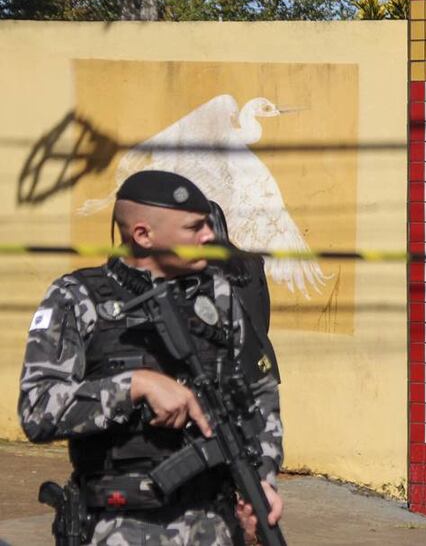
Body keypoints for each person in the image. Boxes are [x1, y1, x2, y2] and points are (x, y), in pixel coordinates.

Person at [19, 170, 284, 545]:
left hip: (216, 527)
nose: (209, 236)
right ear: (143, 235)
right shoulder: (77, 298)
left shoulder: (220, 298)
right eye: (194, 228)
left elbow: (261, 395)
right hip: (119, 526)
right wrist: (133, 387)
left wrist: (260, 481)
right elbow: (37, 409)